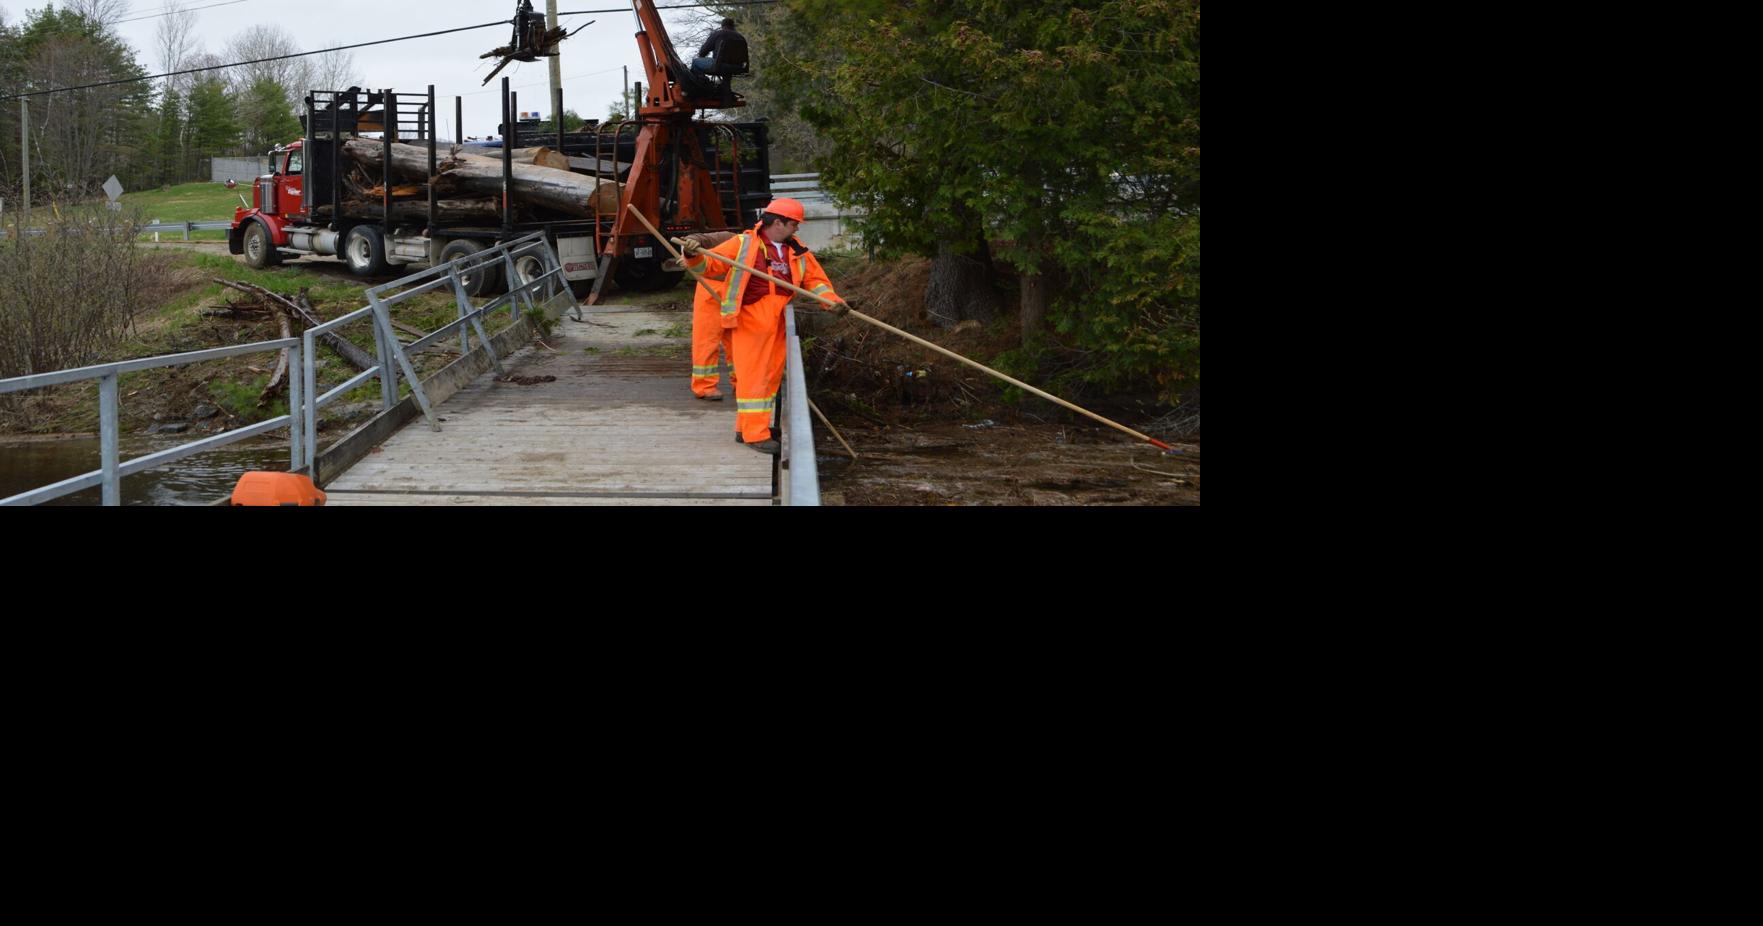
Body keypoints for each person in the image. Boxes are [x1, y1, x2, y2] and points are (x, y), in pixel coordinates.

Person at [681, 199, 847, 454]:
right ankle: (755, 434)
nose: (797, 229)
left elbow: (816, 282)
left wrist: (832, 302)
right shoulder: (743, 244)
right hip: (750, 319)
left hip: (778, 319)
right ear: (778, 222)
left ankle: (747, 426)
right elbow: (709, 267)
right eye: (794, 224)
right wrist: (693, 254)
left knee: (769, 377)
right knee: (754, 378)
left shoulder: (798, 250)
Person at [683, 230, 736, 401]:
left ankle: (741, 382)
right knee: (706, 340)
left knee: (737, 341)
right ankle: (704, 386)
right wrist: (690, 246)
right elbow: (695, 239)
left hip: (735, 295)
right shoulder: (729, 238)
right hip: (709, 291)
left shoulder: (762, 249)